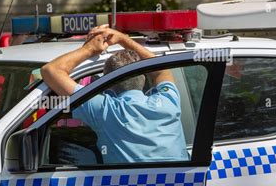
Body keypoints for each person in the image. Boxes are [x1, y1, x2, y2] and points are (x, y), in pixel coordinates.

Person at [41, 24, 188, 163]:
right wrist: (122, 39)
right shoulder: (168, 102)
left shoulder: (105, 110)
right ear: (143, 78)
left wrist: (89, 49)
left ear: (107, 86)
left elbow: (51, 70)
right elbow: (161, 70)